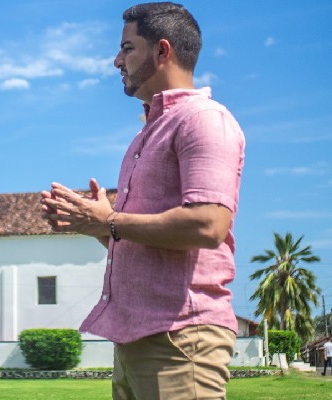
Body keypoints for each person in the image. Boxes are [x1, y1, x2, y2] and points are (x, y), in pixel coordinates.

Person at [40, 2, 245, 399]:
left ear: (162, 51)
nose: (117, 60)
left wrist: (111, 222)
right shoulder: (147, 133)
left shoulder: (204, 120)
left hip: (180, 340)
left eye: (128, 48)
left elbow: (208, 225)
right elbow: (148, 241)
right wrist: (95, 225)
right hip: (139, 338)